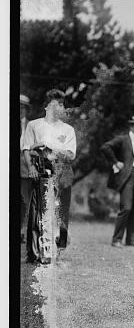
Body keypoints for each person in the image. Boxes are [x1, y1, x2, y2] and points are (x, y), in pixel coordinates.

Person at [21, 89, 77, 262]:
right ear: (47, 105)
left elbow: (70, 154)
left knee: (59, 212)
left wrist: (49, 148)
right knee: (38, 212)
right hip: (39, 170)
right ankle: (35, 252)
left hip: (61, 172)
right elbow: (26, 149)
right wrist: (30, 166)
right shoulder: (34, 125)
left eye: (61, 104)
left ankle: (54, 247)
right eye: (55, 104)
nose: (59, 107)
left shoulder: (68, 129)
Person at [101, 115, 134, 247]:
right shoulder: (122, 139)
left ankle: (131, 239)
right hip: (127, 176)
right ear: (131, 126)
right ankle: (116, 239)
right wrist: (116, 162)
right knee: (126, 208)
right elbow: (105, 147)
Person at [20, 94, 32, 244]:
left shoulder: (31, 126)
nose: (20, 109)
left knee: (25, 201)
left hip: (25, 170)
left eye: (23, 107)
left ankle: (23, 230)